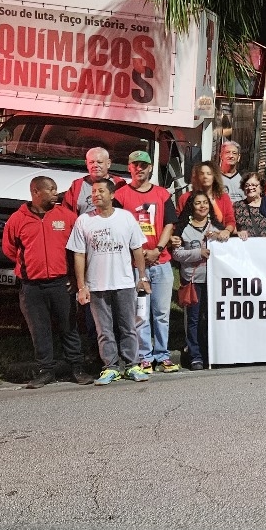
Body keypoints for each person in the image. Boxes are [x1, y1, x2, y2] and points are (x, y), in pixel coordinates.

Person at [1, 176, 91, 388]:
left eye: (55, 189)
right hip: (32, 286)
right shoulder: (17, 219)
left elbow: (77, 248)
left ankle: (77, 367)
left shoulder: (67, 217)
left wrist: (72, 276)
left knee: (69, 327)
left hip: (61, 284)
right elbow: (10, 249)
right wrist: (32, 266)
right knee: (39, 329)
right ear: (35, 192)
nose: (55, 194)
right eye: (51, 190)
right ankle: (45, 370)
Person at [69, 179, 151, 385]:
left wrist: (142, 277)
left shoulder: (126, 218)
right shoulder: (84, 221)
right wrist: (82, 286)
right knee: (103, 330)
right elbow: (79, 254)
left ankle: (132, 365)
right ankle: (110, 367)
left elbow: (137, 250)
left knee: (128, 327)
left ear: (112, 195)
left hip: (123, 283)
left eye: (101, 191)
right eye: (94, 191)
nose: (96, 195)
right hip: (97, 286)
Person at [115, 150, 181, 374]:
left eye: (144, 165)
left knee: (162, 313)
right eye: (135, 165)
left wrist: (158, 249)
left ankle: (163, 355)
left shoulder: (162, 194)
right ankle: (144, 356)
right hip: (134, 264)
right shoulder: (121, 195)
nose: (140, 168)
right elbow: (118, 227)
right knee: (140, 314)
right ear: (129, 167)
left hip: (160, 262)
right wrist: (138, 253)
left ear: (151, 167)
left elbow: (169, 224)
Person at [172, 192, 218, 370]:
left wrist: (222, 235)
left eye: (205, 203)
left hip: (214, 281)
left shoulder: (215, 226)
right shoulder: (184, 228)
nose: (202, 206)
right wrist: (198, 253)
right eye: (198, 203)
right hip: (193, 281)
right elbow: (177, 254)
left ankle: (210, 354)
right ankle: (195, 356)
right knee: (193, 319)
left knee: (211, 319)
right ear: (192, 206)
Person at [175, 161, 235, 236]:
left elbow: (230, 220)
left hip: (216, 242)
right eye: (202, 173)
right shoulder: (185, 198)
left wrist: (227, 231)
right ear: (197, 177)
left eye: (209, 174)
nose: (205, 176)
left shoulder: (223, 197)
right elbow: (177, 223)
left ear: (214, 176)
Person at [62, 147, 125, 215]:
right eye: (91, 162)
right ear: (86, 163)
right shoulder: (77, 185)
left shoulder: (119, 184)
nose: (95, 165)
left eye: (99, 162)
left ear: (108, 163)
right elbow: (66, 214)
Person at [234, 173, 266, 239]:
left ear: (261, 187)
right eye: (247, 185)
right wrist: (238, 233)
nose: (250, 188)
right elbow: (231, 227)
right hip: (245, 246)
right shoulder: (237, 206)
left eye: (254, 185)